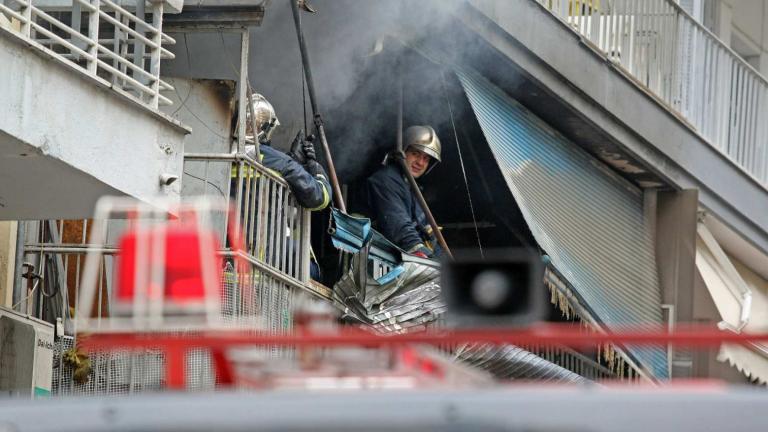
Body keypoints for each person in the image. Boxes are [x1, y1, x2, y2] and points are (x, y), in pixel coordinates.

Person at [242, 93, 331, 211]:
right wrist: (317, 171)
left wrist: (293, 158)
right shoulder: (281, 162)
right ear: (266, 129)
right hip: (260, 228)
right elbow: (318, 198)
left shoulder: (222, 151)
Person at [367, 125, 442, 259]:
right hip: (374, 257)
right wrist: (431, 260)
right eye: (415, 154)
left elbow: (428, 233)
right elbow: (400, 228)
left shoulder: (412, 189)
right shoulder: (385, 181)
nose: (420, 162)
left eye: (426, 159)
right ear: (403, 152)